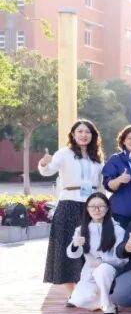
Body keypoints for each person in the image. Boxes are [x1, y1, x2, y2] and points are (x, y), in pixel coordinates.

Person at [39, 119, 105, 294]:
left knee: (90, 246)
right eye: (80, 131)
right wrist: (44, 163)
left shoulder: (97, 157)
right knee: (67, 246)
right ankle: (72, 294)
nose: (84, 135)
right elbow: (48, 170)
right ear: (73, 135)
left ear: (93, 136)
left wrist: (104, 206)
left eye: (87, 132)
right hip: (68, 203)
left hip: (91, 206)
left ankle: (88, 290)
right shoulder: (64, 153)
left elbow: (101, 185)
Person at [66, 193, 127, 314]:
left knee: (102, 270)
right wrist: (75, 245)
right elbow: (72, 254)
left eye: (101, 206)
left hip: (110, 270)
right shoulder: (81, 229)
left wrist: (102, 262)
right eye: (92, 206)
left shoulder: (118, 230)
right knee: (78, 301)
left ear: (107, 208)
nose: (97, 209)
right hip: (89, 272)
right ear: (87, 209)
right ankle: (104, 298)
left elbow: (122, 259)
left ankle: (107, 305)